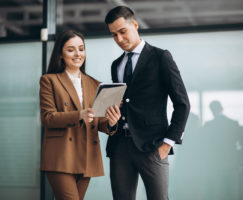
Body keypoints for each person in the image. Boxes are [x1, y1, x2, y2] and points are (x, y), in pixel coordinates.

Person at [104, 6, 190, 200]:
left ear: (135, 25)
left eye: (122, 31)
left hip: (152, 145)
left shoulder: (161, 57)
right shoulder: (116, 65)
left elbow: (182, 103)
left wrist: (167, 143)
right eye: (113, 35)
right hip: (119, 146)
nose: (119, 39)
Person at [39, 30, 121, 200]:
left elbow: (100, 122)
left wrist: (111, 122)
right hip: (61, 156)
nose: (78, 54)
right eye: (71, 50)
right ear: (60, 54)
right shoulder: (49, 80)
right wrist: (79, 115)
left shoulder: (95, 84)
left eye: (81, 49)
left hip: (86, 155)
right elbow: (48, 117)